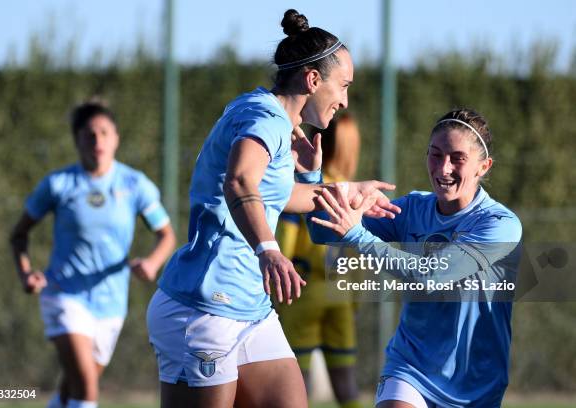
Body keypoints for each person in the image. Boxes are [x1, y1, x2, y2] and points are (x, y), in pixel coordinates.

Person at [146, 9, 399, 408]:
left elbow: (279, 197)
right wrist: (269, 250)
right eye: (343, 86)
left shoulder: (272, 117)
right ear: (313, 80)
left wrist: (344, 189)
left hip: (251, 309)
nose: (344, 100)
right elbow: (239, 181)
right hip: (204, 308)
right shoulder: (265, 118)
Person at [307, 108, 523, 407]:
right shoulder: (412, 209)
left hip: (477, 384)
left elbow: (431, 275)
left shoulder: (500, 225)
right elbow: (322, 233)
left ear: (483, 167)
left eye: (457, 158)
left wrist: (357, 235)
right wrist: (309, 176)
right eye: (435, 155)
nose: (443, 168)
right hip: (410, 368)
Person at [10, 101, 176, 408]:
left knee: (70, 390)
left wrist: (152, 263)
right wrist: (25, 273)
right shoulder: (58, 184)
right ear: (77, 140)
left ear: (116, 138)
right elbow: (19, 235)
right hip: (64, 296)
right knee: (86, 388)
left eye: (104, 133)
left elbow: (166, 235)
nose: (97, 141)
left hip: (111, 303)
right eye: (89, 135)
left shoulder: (134, 184)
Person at [276, 113, 363, 408]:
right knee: (346, 388)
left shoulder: (304, 189)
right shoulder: (352, 191)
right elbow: (358, 252)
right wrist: (355, 301)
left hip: (303, 292)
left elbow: (285, 245)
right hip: (341, 295)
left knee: (295, 387)